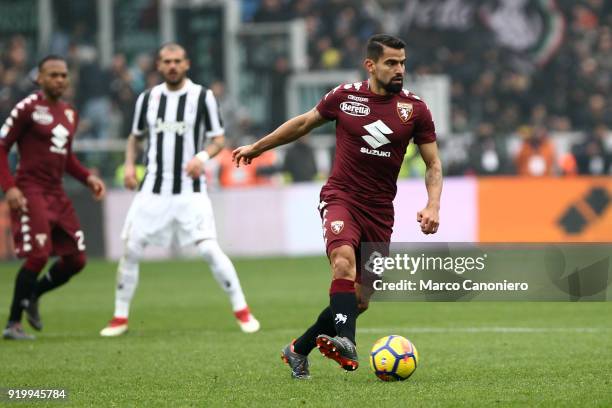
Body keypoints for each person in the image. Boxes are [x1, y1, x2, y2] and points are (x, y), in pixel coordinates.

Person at [233, 34, 442, 379]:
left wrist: (433, 205)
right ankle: (346, 342)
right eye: (391, 63)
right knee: (342, 262)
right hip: (341, 198)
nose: (400, 69)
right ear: (371, 65)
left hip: (380, 211)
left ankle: (298, 349)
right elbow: (303, 123)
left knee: (358, 301)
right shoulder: (345, 97)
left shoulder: (415, 109)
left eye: (403, 62)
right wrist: (259, 146)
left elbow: (433, 164)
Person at [100, 43, 259, 337]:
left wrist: (200, 158)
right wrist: (131, 165)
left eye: (177, 61)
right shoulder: (147, 98)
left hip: (190, 189)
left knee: (210, 249)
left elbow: (218, 139)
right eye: (166, 61)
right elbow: (135, 138)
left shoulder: (203, 97)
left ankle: (242, 310)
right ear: (159, 66)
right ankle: (120, 317)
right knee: (132, 248)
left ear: (186, 64)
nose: (172, 66)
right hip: (153, 188)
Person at [0, 55, 106, 340]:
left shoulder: (70, 113)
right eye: (53, 75)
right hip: (30, 190)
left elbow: (66, 157)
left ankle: (32, 294)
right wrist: (9, 187)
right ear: (40, 78)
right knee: (38, 256)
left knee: (76, 260)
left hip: (56, 193)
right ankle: (13, 324)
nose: (60, 80)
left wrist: (87, 177)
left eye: (63, 75)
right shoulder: (27, 108)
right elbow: (2, 145)